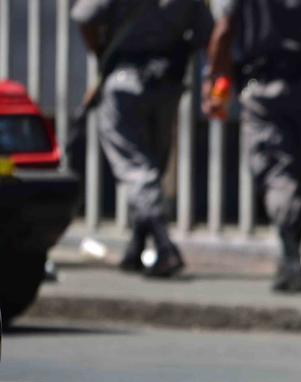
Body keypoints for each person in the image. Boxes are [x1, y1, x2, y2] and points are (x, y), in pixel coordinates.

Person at [203, 0, 301, 293]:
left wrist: (215, 82)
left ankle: (290, 255)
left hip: (262, 88)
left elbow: (223, 32)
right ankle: (290, 252)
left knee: (275, 172)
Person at [72, 0, 215, 278]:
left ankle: (164, 247)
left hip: (125, 80)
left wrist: (101, 53)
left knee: (136, 167)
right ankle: (136, 248)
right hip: (166, 83)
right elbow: (205, 34)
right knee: (152, 164)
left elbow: (83, 16)